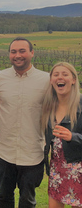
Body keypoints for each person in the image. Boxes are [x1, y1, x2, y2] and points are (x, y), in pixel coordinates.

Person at [0, 37, 50, 208]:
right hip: (3, 151)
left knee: (28, 200)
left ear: (32, 53)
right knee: (3, 197)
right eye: (13, 51)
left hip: (33, 152)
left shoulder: (47, 80)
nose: (17, 55)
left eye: (22, 51)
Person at [42, 62, 82, 207]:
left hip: (78, 167)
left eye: (65, 74)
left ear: (73, 80)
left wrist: (73, 137)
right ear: (51, 80)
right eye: (56, 74)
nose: (60, 77)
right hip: (57, 168)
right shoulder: (49, 106)